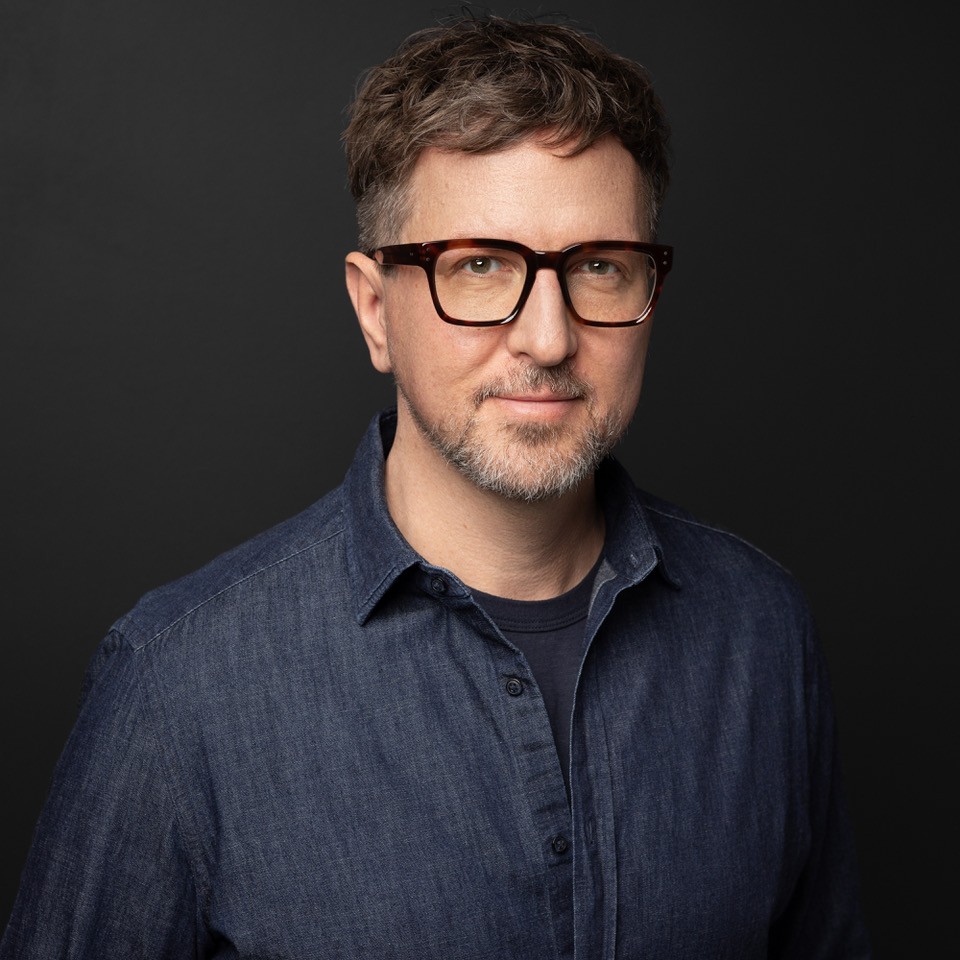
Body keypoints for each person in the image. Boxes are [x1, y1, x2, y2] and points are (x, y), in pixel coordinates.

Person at [2, 15, 871, 959]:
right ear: (375, 309)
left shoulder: (762, 632)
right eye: (481, 265)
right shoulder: (178, 687)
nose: (547, 338)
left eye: (600, 268)